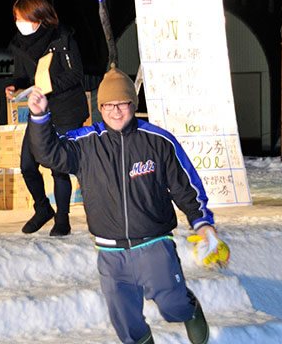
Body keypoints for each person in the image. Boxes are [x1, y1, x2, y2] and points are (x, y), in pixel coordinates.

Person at [26, 65, 228, 344]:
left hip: (153, 242)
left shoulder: (158, 141)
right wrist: (38, 117)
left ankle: (189, 308)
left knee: (172, 304)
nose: (116, 111)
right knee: (125, 321)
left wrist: (202, 222)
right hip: (110, 250)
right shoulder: (85, 144)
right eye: (109, 105)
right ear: (100, 107)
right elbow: (49, 153)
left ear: (132, 104)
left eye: (122, 103)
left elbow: (185, 186)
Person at [6, 0, 89, 236]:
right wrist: (16, 86)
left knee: (59, 166)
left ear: (39, 17)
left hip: (65, 109)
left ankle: (62, 218)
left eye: (24, 18)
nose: (20, 24)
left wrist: (48, 87)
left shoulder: (62, 37)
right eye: (17, 18)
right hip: (39, 110)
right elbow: (23, 76)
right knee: (27, 164)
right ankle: (43, 208)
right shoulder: (19, 45)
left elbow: (75, 75)